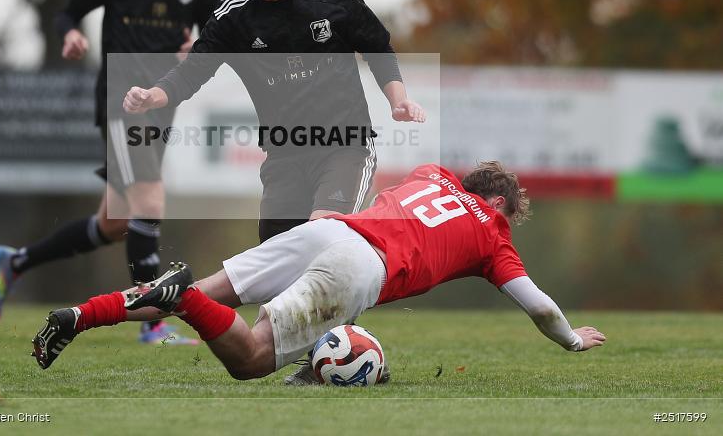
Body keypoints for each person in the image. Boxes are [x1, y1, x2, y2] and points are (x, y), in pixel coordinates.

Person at [30, 161, 606, 384]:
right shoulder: (494, 235)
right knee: (250, 359)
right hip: (359, 265)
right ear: (501, 206)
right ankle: (183, 298)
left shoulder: (433, 174)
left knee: (203, 290)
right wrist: (571, 341)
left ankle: (79, 316)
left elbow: (386, 194)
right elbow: (539, 306)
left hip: (329, 230)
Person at [0, 0, 221, 346]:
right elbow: (68, 12)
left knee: (115, 223)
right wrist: (70, 34)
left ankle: (13, 262)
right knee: (149, 200)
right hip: (118, 97)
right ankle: (153, 323)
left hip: (162, 102)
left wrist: (198, 45)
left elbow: (217, 33)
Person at [123, 0, 425, 243]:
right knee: (274, 260)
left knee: (322, 238)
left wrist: (398, 100)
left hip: (345, 147)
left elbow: (378, 49)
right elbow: (191, 73)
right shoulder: (232, 18)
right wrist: (152, 96)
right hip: (284, 154)